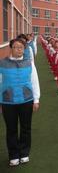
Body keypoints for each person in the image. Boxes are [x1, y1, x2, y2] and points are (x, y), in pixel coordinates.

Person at [0, 38, 40, 166]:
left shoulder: (29, 63)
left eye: (21, 47)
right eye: (16, 47)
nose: (19, 50)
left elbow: (34, 81)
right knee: (11, 129)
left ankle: (24, 153)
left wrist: (36, 99)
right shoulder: (2, 63)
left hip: (26, 100)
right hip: (8, 101)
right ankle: (13, 155)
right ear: (11, 48)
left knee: (25, 128)